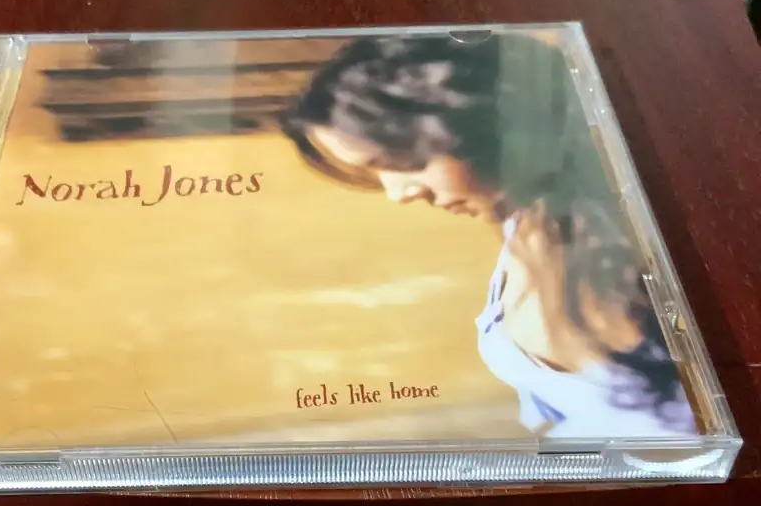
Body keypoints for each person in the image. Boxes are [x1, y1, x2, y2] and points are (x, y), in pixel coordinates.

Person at [282, 32, 697, 439]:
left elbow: (682, 430)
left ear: (473, 124)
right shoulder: (525, 220)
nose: (398, 193)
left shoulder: (623, 258)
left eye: (394, 162)